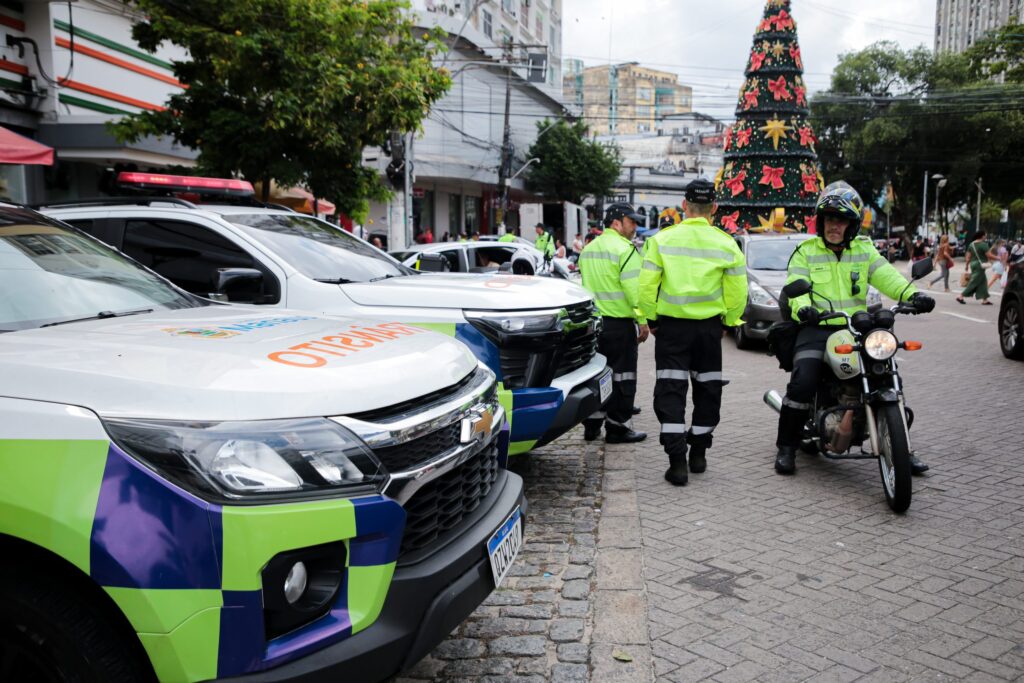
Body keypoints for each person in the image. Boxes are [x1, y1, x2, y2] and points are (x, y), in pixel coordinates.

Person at [775, 182, 934, 476]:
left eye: (841, 219)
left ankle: (902, 449)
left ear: (852, 224)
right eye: (829, 219)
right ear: (821, 221)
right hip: (818, 326)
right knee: (803, 382)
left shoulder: (864, 250)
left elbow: (887, 277)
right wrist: (803, 309)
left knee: (886, 374)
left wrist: (912, 295)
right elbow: (794, 287)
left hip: (856, 328)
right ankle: (786, 447)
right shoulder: (805, 251)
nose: (834, 225)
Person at [639, 179, 747, 486]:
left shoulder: (661, 240)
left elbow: (646, 286)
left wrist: (651, 319)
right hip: (709, 330)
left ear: (684, 207)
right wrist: (730, 321)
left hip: (671, 329)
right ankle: (698, 454)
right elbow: (738, 291)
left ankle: (677, 464)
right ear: (714, 208)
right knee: (708, 390)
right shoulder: (727, 243)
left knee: (671, 391)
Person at [579, 202, 649, 444]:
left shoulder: (588, 249)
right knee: (623, 377)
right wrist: (642, 319)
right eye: (632, 221)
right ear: (616, 222)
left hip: (593, 326)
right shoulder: (626, 250)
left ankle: (591, 424)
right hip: (619, 326)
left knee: (595, 375)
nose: (635, 227)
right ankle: (617, 428)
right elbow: (634, 291)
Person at [957, 230, 992, 305]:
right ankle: (961, 296)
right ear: (982, 236)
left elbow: (968, 257)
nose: (986, 236)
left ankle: (985, 299)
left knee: (983, 282)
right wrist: (998, 258)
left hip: (973, 264)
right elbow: (989, 255)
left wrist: (966, 266)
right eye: (985, 235)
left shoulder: (971, 244)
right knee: (974, 281)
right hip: (980, 265)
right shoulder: (983, 245)